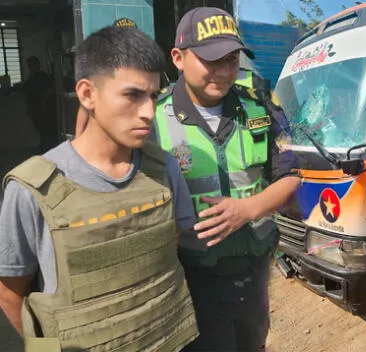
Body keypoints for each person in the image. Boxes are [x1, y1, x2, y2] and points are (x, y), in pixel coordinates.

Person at [0, 26, 199, 351]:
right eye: (132, 95)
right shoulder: (32, 189)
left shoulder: (164, 168)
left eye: (153, 96)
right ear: (87, 94)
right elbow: (9, 293)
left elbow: (168, 252)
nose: (148, 112)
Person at [153, 7, 300, 352]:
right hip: (192, 277)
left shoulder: (259, 107)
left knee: (252, 342)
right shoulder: (153, 120)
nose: (223, 71)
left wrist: (247, 210)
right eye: (211, 60)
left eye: (232, 60)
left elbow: (292, 177)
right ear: (178, 57)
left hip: (253, 268)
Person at [23, 56, 58, 152]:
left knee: (47, 129)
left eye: (32, 65)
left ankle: (49, 147)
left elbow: (51, 88)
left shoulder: (44, 77)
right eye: (29, 66)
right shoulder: (31, 79)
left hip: (45, 109)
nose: (30, 67)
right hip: (35, 109)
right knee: (40, 129)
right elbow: (28, 91)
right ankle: (44, 145)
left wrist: (45, 100)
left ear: (37, 65)